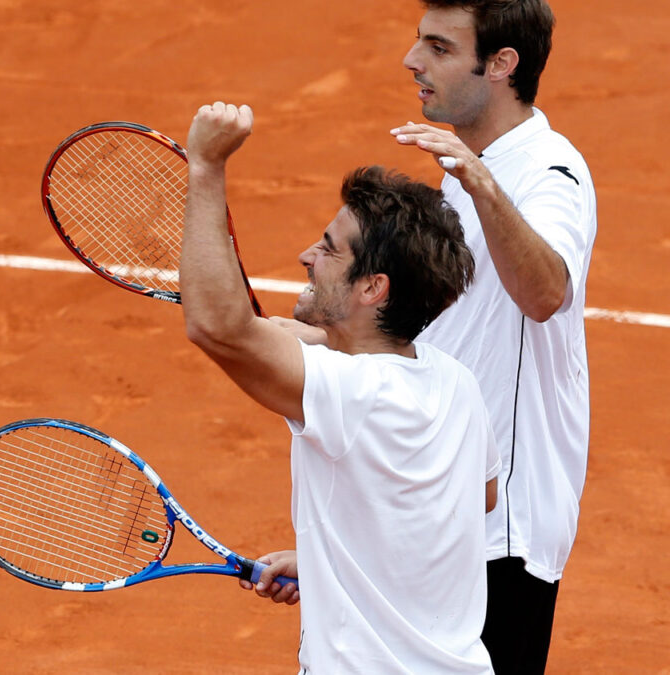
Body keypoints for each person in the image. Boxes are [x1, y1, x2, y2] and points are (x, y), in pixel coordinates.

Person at [181, 101, 501, 674]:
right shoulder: (455, 382)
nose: (307, 256)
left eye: (329, 248)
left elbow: (218, 327)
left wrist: (205, 166)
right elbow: (477, 500)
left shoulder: (351, 393)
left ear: (373, 288)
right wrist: (334, 561)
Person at [392, 1, 599, 672]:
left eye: (439, 47)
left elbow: (544, 293)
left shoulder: (548, 172)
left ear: (502, 64)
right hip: (443, 511)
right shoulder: (467, 172)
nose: (412, 61)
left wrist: (477, 178)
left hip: (500, 530)